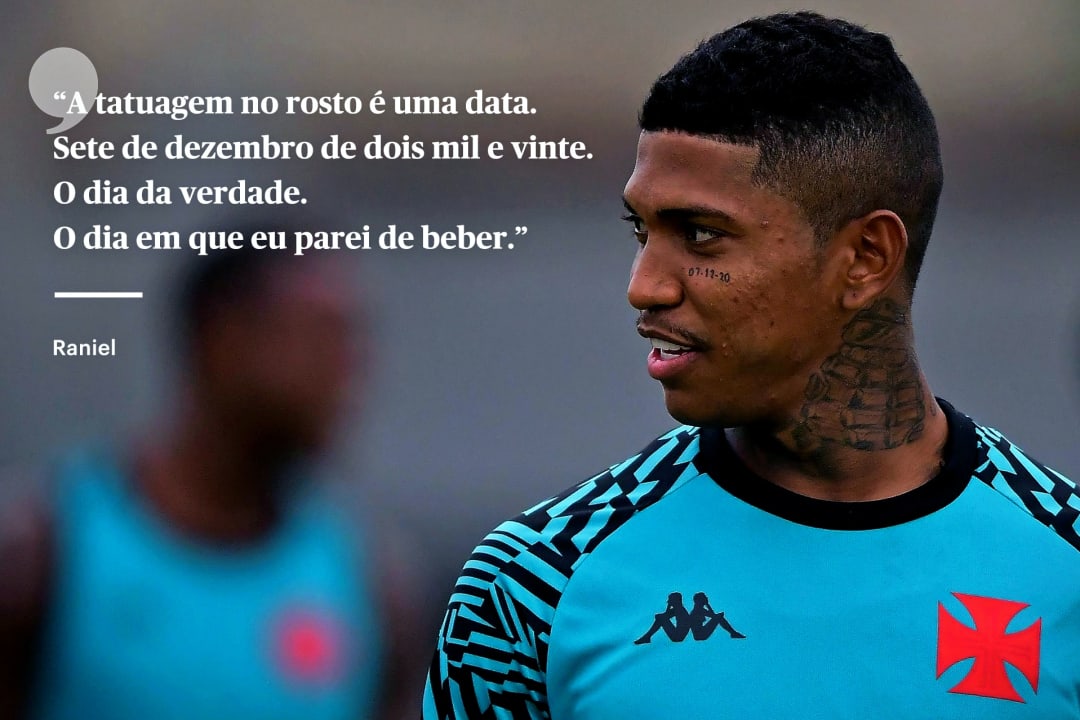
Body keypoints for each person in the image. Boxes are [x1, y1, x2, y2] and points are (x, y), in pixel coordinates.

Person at [423, 12, 1080, 719]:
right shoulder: (531, 586)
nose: (644, 287)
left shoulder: (1065, 565)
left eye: (701, 235)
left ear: (866, 258)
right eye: (642, 230)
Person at [0, 233, 423, 720]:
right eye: (320, 336)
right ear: (221, 340)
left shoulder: (370, 584)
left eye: (354, 341)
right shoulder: (44, 555)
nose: (348, 372)